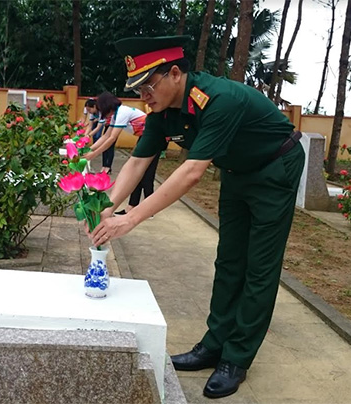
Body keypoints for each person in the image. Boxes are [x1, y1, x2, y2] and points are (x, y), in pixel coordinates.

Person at [88, 35, 305, 399]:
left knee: (259, 267)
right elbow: (138, 162)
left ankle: (236, 358)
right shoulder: (163, 111)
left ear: (175, 73)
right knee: (229, 260)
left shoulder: (220, 100)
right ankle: (214, 345)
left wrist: (132, 217)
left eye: (148, 86)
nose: (144, 97)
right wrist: (104, 207)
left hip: (274, 169)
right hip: (236, 174)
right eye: (138, 90)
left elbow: (190, 173)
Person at [84, 92, 162, 212]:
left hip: (155, 137)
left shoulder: (122, 112)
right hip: (146, 137)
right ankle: (131, 206)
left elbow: (112, 138)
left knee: (146, 175)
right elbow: (105, 136)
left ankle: (149, 209)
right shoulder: (116, 115)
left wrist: (93, 155)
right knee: (137, 173)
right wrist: (89, 150)